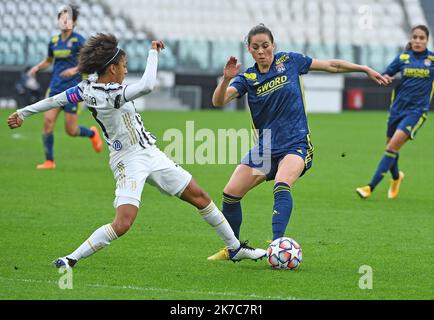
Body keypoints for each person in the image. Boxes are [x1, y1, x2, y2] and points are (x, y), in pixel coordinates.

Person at [7, 33, 267, 269]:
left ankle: (235, 248)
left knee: (198, 195)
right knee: (123, 223)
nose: (125, 70)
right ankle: (71, 258)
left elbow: (55, 100)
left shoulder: (85, 89)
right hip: (127, 160)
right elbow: (146, 86)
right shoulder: (110, 94)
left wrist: (22, 113)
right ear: (112, 68)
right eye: (124, 66)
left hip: (149, 152)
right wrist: (153, 53)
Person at [208, 24, 390, 260]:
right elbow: (218, 101)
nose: (262, 51)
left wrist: (363, 68)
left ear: (273, 45)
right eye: (256, 47)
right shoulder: (247, 78)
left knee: (281, 184)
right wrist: (225, 80)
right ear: (249, 50)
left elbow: (330, 65)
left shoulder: (289, 61)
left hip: (296, 143)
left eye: (265, 45)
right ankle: (234, 249)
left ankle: (277, 245)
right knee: (230, 193)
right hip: (265, 148)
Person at [356, 25, 433, 200]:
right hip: (397, 110)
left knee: (392, 147)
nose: (418, 41)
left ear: (427, 40)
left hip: (416, 112)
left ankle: (369, 187)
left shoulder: (432, 60)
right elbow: (385, 74)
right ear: (411, 39)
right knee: (391, 148)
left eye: (422, 38)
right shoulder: (403, 58)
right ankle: (397, 177)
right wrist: (385, 77)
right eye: (415, 37)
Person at [28, 4, 102, 170]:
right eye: (61, 18)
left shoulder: (78, 41)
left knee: (71, 130)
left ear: (73, 22)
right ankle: (49, 161)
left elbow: (88, 61)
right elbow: (48, 61)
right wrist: (37, 67)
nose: (64, 21)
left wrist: (75, 70)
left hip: (74, 91)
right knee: (47, 122)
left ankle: (92, 133)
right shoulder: (54, 41)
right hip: (55, 88)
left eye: (67, 19)